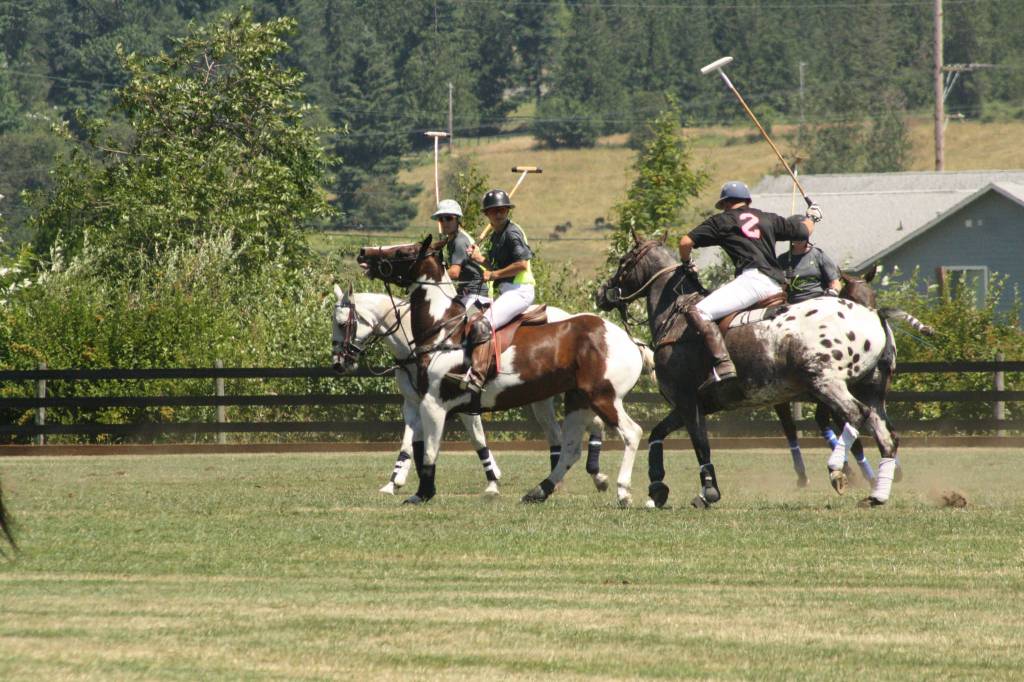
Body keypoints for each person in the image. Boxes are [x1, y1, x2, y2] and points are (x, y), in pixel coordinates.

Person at [677, 180, 821, 402]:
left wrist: (687, 263)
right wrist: (812, 216)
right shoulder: (767, 217)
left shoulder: (722, 220)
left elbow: (685, 242)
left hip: (752, 281)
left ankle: (723, 364)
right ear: (747, 201)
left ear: (725, 203)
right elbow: (803, 231)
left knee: (698, 311)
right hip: (776, 284)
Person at [461, 188, 536, 393]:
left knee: (483, 324)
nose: (499, 213)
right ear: (487, 214)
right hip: (507, 291)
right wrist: (480, 259)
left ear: (507, 211)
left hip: (520, 291)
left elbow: (521, 264)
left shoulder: (511, 233)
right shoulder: (496, 236)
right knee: (470, 315)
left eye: (502, 210)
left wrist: (493, 275)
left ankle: (477, 375)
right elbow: (496, 267)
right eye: (494, 211)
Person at [433, 199, 489, 309]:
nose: (444, 223)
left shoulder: (459, 241)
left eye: (449, 218)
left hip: (474, 294)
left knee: (461, 320)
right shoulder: (450, 240)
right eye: (441, 219)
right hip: (463, 291)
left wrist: (431, 277)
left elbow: (454, 273)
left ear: (457, 219)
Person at [778, 238, 841, 303]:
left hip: (819, 300)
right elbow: (780, 289)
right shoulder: (782, 259)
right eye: (796, 236)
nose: (799, 239)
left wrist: (831, 295)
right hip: (794, 304)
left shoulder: (818, 254)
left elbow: (834, 282)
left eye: (801, 236)